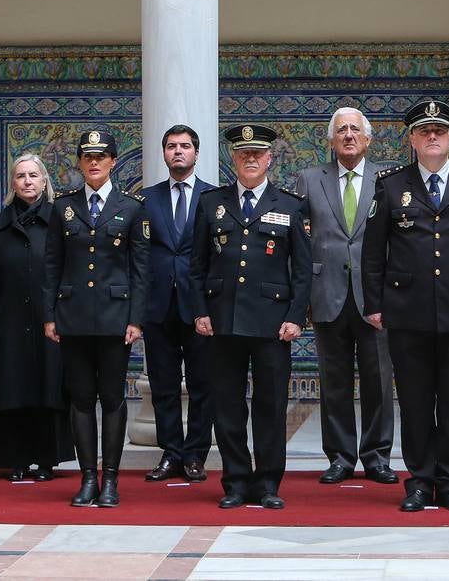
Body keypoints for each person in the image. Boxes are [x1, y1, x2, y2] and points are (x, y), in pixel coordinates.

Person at [363, 99, 449, 513]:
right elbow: (373, 253)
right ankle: (420, 482)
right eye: (424, 131)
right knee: (416, 401)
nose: (432, 137)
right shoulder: (390, 185)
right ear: (412, 139)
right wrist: (374, 303)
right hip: (407, 311)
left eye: (439, 130)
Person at [191, 123, 311, 510]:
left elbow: (304, 270)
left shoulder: (290, 205)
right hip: (223, 320)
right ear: (234, 158)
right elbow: (196, 266)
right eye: (244, 154)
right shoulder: (212, 203)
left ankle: (268, 483)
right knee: (227, 405)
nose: (251, 159)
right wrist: (199, 312)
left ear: (269, 158)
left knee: (271, 405)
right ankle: (236, 481)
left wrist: (296, 317)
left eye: (258, 154)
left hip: (272, 324)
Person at [44, 130, 149, 507]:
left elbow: (140, 269)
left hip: (115, 318)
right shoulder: (63, 207)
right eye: (87, 156)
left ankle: (111, 480)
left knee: (112, 399)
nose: (93, 162)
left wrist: (137, 319)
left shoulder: (132, 207)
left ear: (113, 161)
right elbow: (52, 265)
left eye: (101, 156)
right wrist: (49, 316)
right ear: (79, 161)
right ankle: (88, 477)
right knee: (81, 400)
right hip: (72, 317)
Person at [294, 107, 397, 486]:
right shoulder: (309, 179)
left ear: (368, 139)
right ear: (331, 140)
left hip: (374, 297)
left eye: (356, 129)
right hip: (326, 293)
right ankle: (339, 456)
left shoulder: (386, 180)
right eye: (342, 130)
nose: (349, 135)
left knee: (379, 381)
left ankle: (377, 456)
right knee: (333, 380)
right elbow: (298, 240)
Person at [0, 153, 72, 481]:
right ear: (13, 183)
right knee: (13, 387)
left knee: (48, 386)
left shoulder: (59, 220)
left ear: (44, 180)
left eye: (33, 175)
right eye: (21, 176)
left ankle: (47, 459)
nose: (27, 181)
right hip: (8, 318)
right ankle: (16, 459)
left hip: (49, 319)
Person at [140, 124, 215, 483]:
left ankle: (196, 455)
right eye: (171, 146)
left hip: (200, 306)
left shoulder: (214, 198)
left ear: (197, 153)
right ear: (164, 153)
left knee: (203, 384)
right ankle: (171, 452)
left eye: (185, 146)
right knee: (164, 385)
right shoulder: (146, 198)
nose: (178, 152)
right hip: (157, 306)